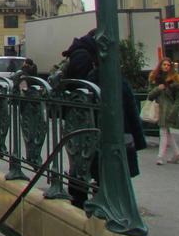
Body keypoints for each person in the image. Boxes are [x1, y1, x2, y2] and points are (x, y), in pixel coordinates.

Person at [61, 29, 147, 208]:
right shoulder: (95, 66)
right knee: (91, 160)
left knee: (87, 161)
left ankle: (91, 195)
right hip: (89, 121)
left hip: (85, 121)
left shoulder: (86, 58)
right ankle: (96, 198)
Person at [148, 57, 179, 165]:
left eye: (168, 65)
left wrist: (175, 108)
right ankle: (177, 154)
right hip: (159, 107)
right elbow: (150, 95)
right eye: (164, 65)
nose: (166, 67)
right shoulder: (155, 78)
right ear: (160, 66)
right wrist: (158, 88)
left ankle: (160, 157)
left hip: (168, 109)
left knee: (163, 132)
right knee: (166, 132)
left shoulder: (174, 80)